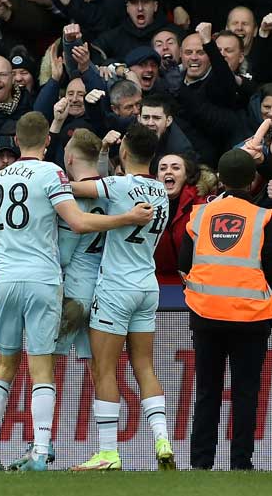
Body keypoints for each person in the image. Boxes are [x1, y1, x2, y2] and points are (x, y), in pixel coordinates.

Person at [0, 112, 152, 472]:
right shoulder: (97, 185)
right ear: (46, 143)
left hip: (25, 281)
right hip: (86, 288)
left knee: (19, 365)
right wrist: (127, 218)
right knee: (89, 371)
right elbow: (82, 214)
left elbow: (66, 233)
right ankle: (84, 450)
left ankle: (6, 449)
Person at [69, 123, 174, 471]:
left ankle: (109, 453)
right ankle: (162, 439)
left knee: (105, 369)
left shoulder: (118, 185)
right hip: (147, 285)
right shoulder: (161, 191)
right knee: (144, 364)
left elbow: (73, 188)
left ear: (124, 152)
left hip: (116, 287)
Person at [179, 148, 272, 471]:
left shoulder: (199, 216)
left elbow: (185, 265)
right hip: (251, 319)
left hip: (206, 315)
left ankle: (200, 463)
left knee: (207, 392)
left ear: (220, 180)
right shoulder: (263, 218)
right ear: (253, 179)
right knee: (246, 393)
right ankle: (240, 463)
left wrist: (199, 297)